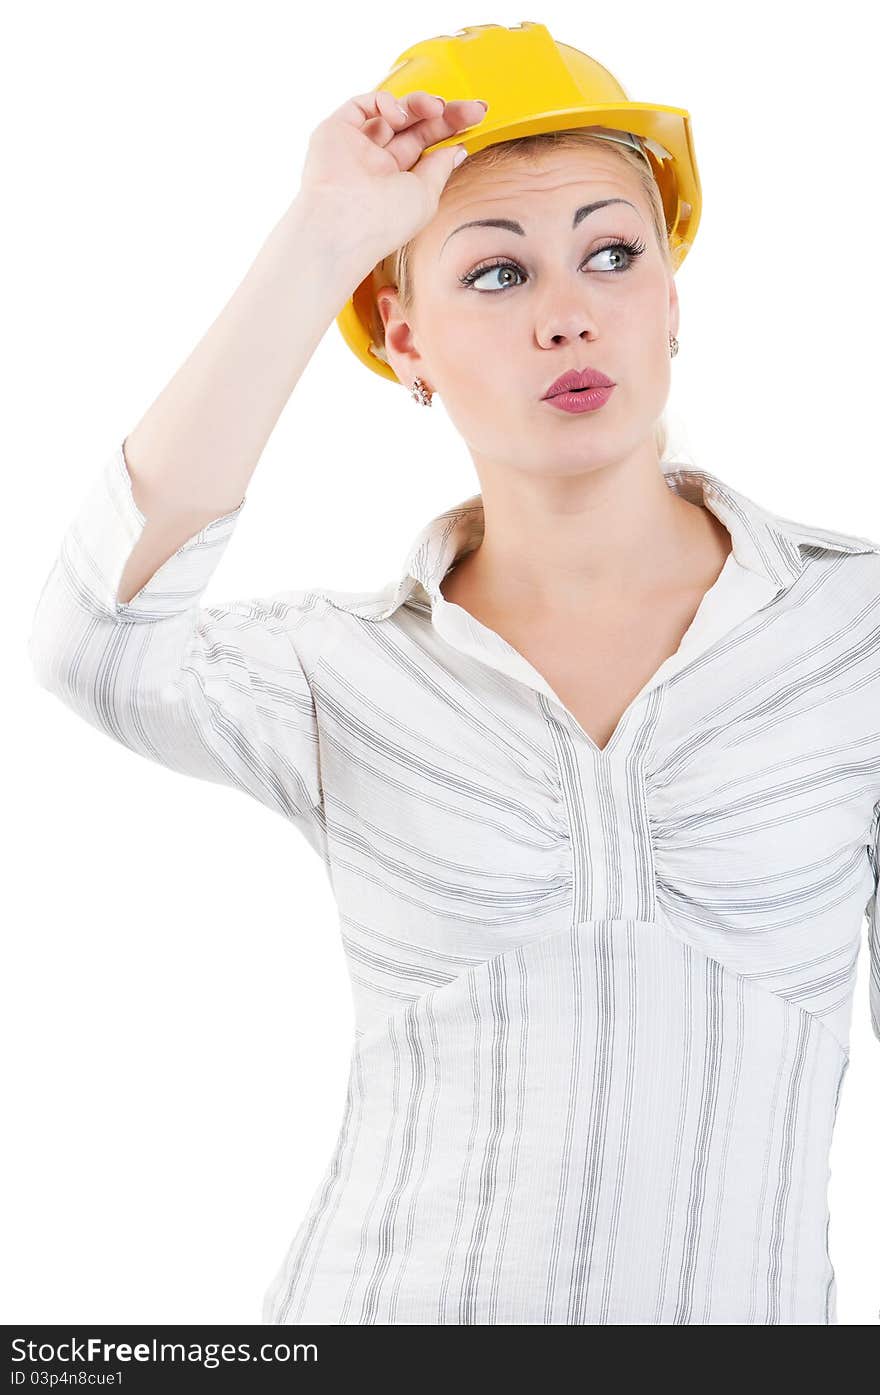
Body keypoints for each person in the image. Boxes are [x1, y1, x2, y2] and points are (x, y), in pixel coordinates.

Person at [27, 23, 880, 1326]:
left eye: (612, 251)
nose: (568, 312)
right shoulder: (338, 670)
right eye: (495, 273)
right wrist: (323, 236)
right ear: (401, 337)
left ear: (670, 297)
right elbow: (96, 643)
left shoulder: (854, 625)